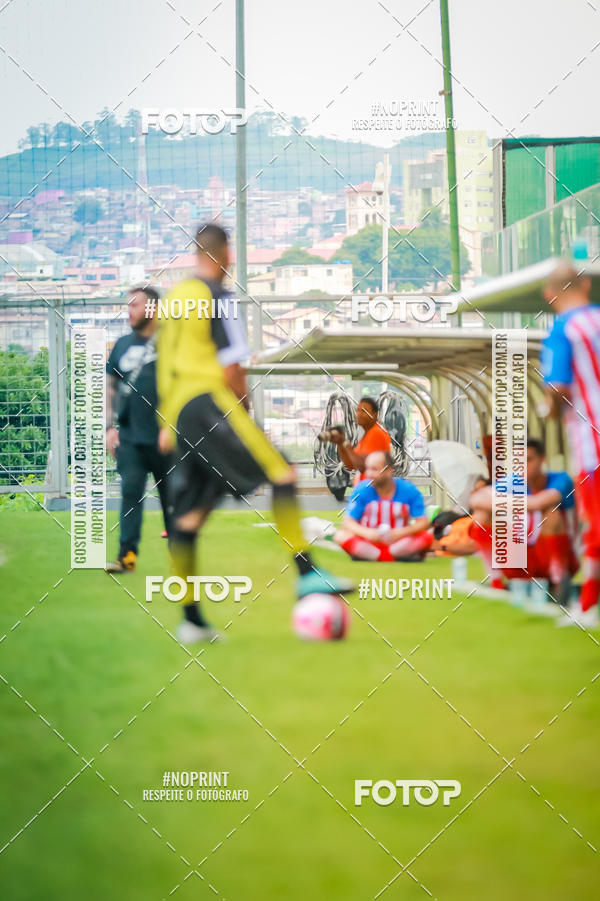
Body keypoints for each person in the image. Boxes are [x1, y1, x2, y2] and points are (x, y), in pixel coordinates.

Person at [156, 223, 353, 643]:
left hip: (179, 414)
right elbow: (233, 367)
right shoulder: (216, 296)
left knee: (190, 517)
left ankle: (190, 621)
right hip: (210, 401)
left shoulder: (174, 298)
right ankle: (307, 573)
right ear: (225, 253)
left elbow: (164, 365)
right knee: (283, 473)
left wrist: (165, 424)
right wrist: (244, 414)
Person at [539, 260, 600, 626]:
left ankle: (589, 605)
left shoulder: (563, 329)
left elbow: (559, 388)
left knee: (593, 522)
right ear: (587, 286)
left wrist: (548, 409)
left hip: (592, 444)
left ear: (550, 296)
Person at [105, 286, 171, 574]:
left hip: (166, 437)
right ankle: (126, 556)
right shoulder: (121, 345)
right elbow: (109, 387)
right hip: (130, 436)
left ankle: (181, 556)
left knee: (173, 499)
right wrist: (109, 427)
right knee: (131, 491)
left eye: (135, 305)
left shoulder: (171, 343)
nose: (129, 310)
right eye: (128, 305)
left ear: (152, 308)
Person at [468, 438, 578, 600]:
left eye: (528, 460)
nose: (523, 466)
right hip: (522, 557)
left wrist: (502, 500)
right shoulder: (514, 481)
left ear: (542, 459)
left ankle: (559, 580)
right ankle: (496, 581)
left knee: (551, 512)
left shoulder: (561, 479)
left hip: (557, 556)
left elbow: (540, 502)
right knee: (482, 514)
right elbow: (476, 500)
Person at [334, 451, 433, 561]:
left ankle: (375, 555)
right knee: (341, 536)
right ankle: (389, 555)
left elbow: (423, 522)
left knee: (427, 537)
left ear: (389, 471)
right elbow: (348, 522)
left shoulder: (409, 490)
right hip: (370, 542)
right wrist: (367, 533)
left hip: (399, 541)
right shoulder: (362, 489)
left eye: (374, 469)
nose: (368, 474)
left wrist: (401, 532)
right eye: (367, 469)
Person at [329, 396, 391, 482]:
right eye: (357, 410)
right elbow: (351, 464)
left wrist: (345, 443)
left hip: (374, 490)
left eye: (364, 411)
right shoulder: (367, 436)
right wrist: (340, 443)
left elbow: (362, 466)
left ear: (374, 414)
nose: (359, 414)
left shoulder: (377, 433)